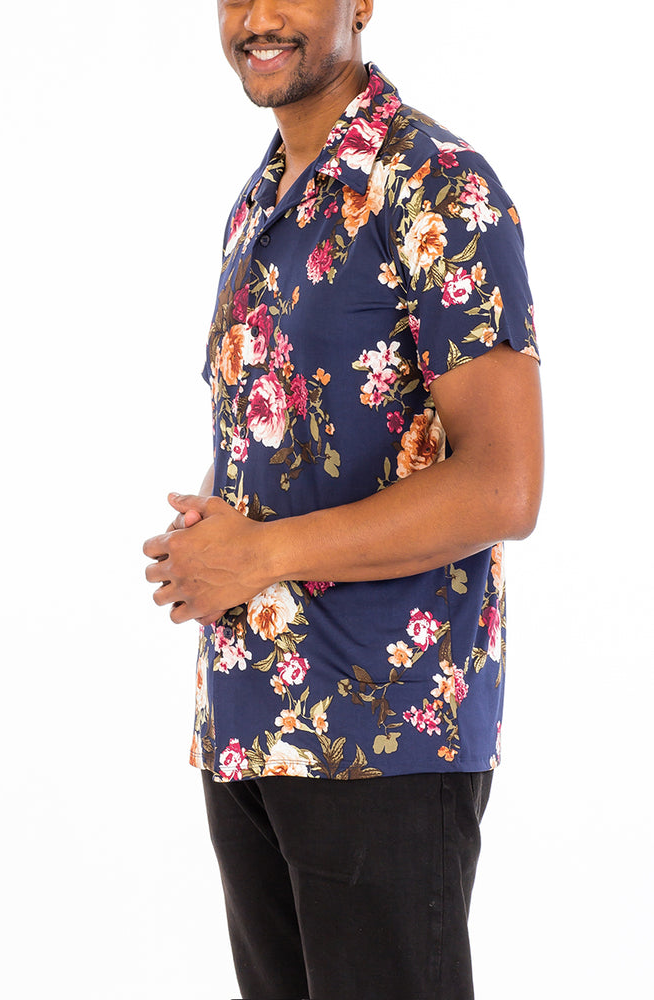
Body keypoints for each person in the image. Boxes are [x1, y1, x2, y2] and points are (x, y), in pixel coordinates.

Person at [143, 2, 544, 997]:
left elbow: (504, 484)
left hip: (383, 738)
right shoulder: (260, 199)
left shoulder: (438, 183)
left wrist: (259, 554)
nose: (256, 18)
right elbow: (286, 438)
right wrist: (206, 539)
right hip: (250, 724)